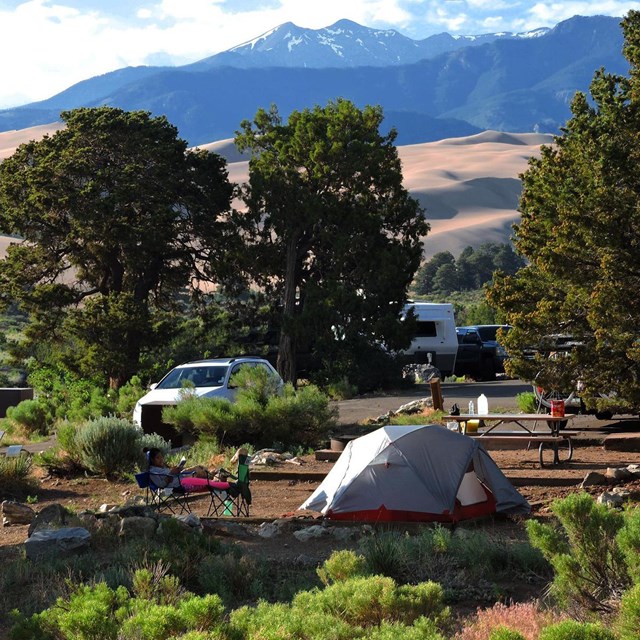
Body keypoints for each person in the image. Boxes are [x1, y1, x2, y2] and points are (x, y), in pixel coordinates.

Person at [143, 447, 231, 493]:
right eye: (158, 458)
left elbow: (171, 474)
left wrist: (176, 470)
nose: (161, 459)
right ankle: (219, 479)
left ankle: (218, 475)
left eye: (161, 457)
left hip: (182, 480)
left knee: (197, 472)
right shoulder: (153, 472)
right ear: (152, 460)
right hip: (178, 485)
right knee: (196, 475)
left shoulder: (162, 468)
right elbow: (161, 485)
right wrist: (170, 474)